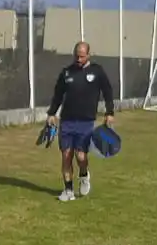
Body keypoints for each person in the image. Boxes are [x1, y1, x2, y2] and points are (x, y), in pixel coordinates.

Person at [45, 41, 115, 202]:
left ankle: (84, 176)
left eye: (82, 56)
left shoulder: (97, 71)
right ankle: (68, 190)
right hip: (67, 121)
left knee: (81, 156)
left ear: (88, 55)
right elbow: (57, 95)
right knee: (66, 156)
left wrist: (109, 112)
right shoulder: (66, 73)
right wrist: (51, 114)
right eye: (76, 55)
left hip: (86, 121)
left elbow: (108, 91)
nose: (78, 58)